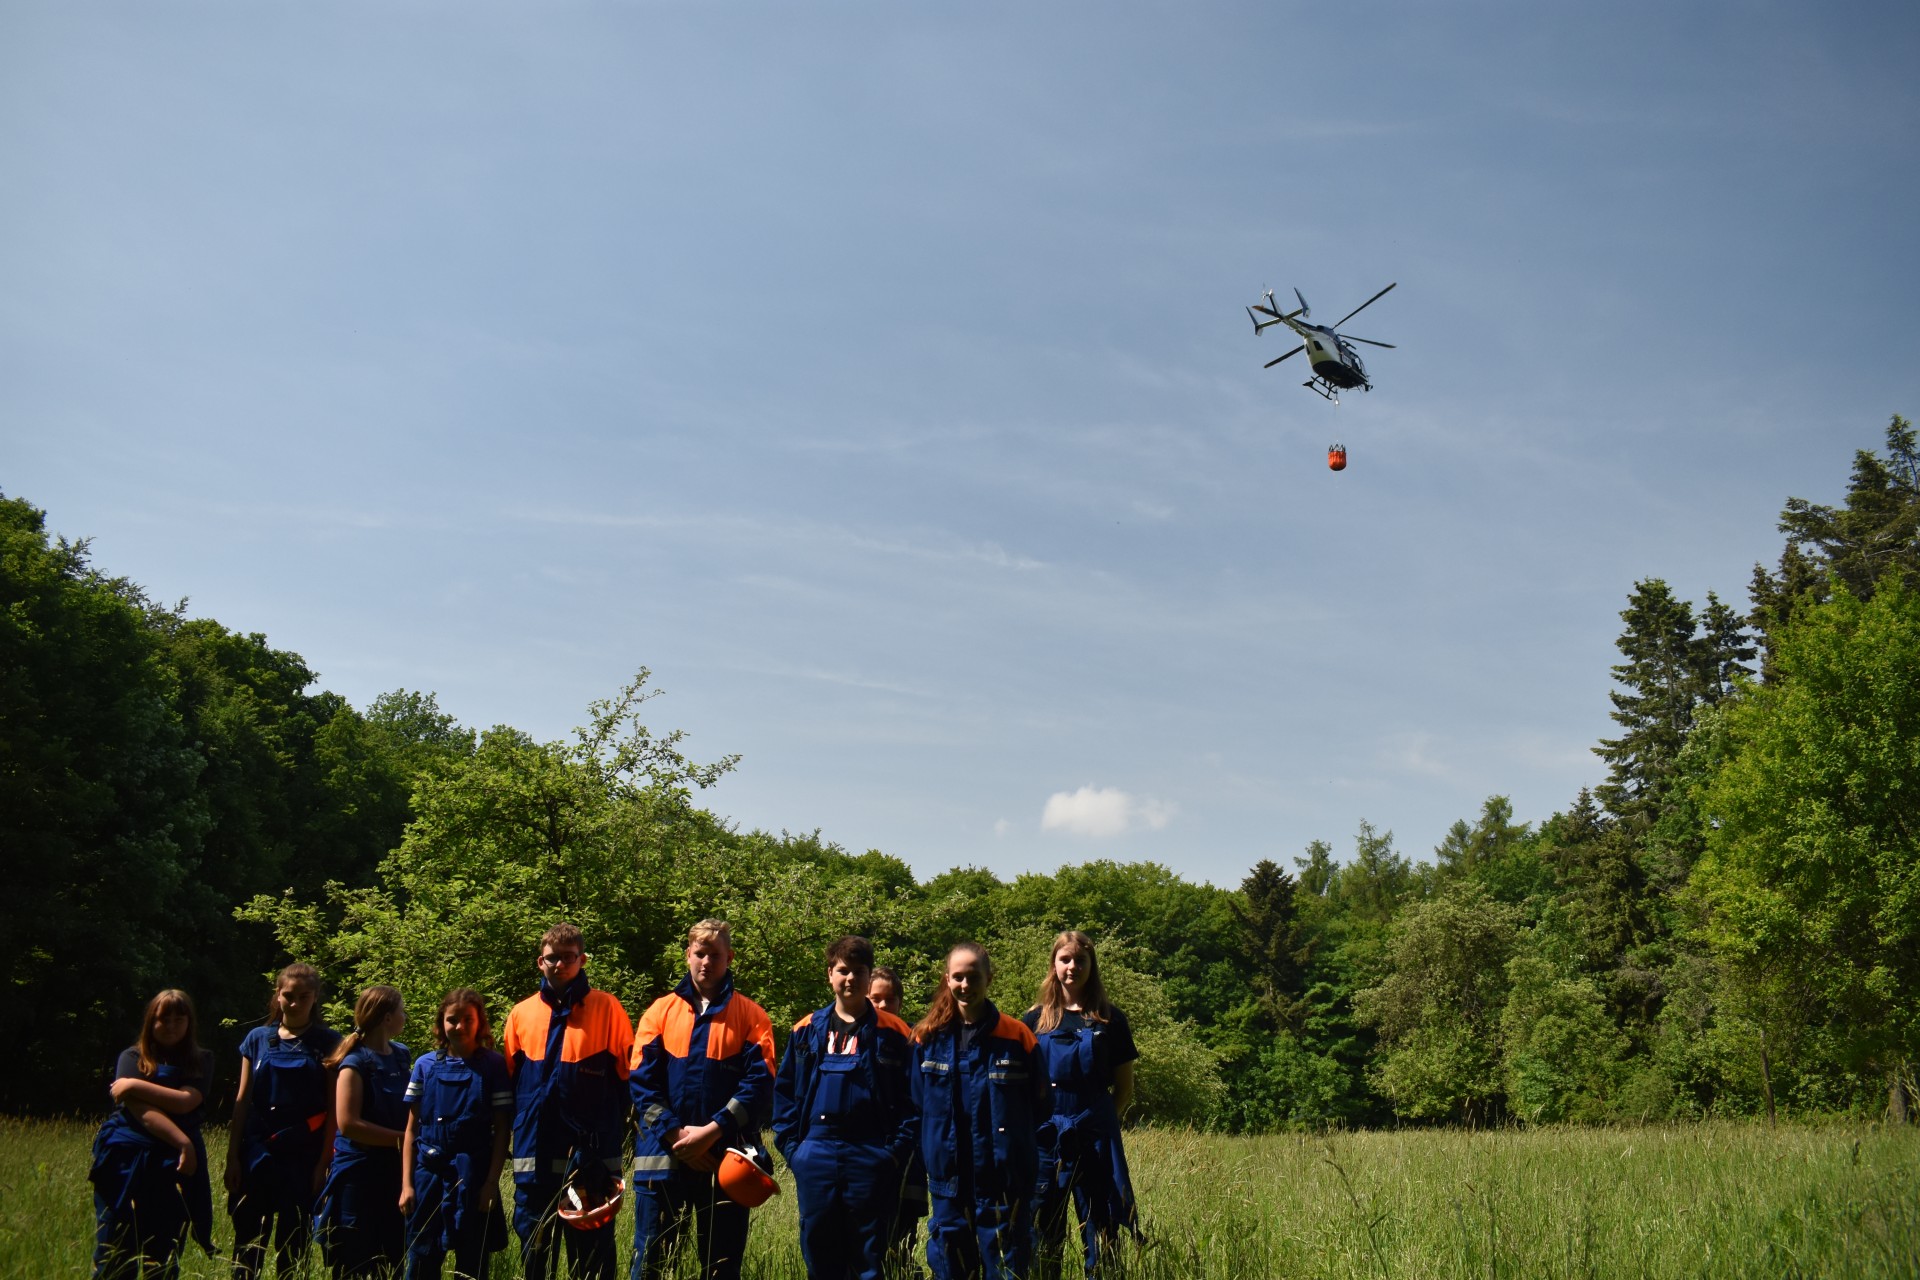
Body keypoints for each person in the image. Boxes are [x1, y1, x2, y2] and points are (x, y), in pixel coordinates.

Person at [628, 919, 778, 1280]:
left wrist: (711, 1132)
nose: (706, 962)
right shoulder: (660, 1011)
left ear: (730, 958)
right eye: (699, 953)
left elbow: (760, 1084)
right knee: (652, 1267)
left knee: (721, 1269)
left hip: (724, 1163)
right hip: (662, 1161)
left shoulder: (752, 1015)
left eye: (715, 955)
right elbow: (640, 1082)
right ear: (687, 956)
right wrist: (676, 1136)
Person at [773, 937, 918, 1280]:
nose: (850, 978)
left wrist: (893, 1154)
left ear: (869, 978)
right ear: (830, 975)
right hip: (815, 1155)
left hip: (871, 1154)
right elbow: (784, 1094)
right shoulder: (806, 1030)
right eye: (843, 971)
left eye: (858, 971)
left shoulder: (896, 1033)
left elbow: (914, 1101)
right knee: (820, 1255)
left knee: (870, 1258)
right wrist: (794, 1152)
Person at [500, 923, 635, 1280]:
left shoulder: (608, 1008)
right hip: (536, 1149)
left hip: (592, 1152)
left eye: (568, 958)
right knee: (535, 1251)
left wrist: (605, 1130)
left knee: (592, 1258)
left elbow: (626, 1081)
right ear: (539, 962)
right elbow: (513, 1085)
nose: (560, 965)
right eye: (552, 958)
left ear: (582, 959)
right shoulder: (521, 1014)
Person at [911, 943, 1048, 1280]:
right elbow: (914, 1107)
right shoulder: (926, 1038)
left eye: (973, 977)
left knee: (1006, 1267)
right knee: (949, 1264)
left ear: (990, 977)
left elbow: (1041, 1109)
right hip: (948, 1181)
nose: (965, 985)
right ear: (947, 979)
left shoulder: (1018, 1037)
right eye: (957, 977)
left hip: (1004, 1181)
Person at [1021, 933, 1140, 1280]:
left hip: (1094, 1136)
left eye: (1081, 960)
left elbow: (1124, 1088)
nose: (1073, 967)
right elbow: (1023, 1086)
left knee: (1102, 1229)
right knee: (1043, 1228)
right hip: (1046, 1139)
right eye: (1065, 960)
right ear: (1054, 965)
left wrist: (1099, 1123)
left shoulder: (1110, 1020)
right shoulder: (1034, 1020)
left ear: (1092, 966)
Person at [89, 989, 216, 1279]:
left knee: (161, 1255)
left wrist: (133, 1087)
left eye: (178, 1019)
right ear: (151, 1021)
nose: (171, 1026)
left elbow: (185, 1102)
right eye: (163, 1019)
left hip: (170, 1167)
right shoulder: (132, 1056)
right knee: (114, 1251)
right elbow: (139, 1112)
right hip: (122, 1162)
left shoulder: (201, 1060)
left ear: (190, 1022)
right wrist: (182, 1140)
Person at [228, 963, 343, 1279]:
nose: (294, 1003)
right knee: (247, 1244)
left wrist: (324, 1162)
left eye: (302, 997)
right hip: (257, 1154)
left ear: (315, 998)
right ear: (277, 996)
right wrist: (232, 1157)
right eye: (288, 996)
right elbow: (241, 1102)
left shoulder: (330, 1042)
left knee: (294, 1246)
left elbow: (335, 1110)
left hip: (303, 1158)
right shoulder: (257, 1039)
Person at [401, 988, 512, 1280]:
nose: (459, 1026)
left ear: (480, 1023)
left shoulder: (493, 1065)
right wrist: (406, 1185)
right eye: (452, 1020)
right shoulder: (424, 1065)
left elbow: (502, 1130)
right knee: (422, 1257)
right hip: (428, 1177)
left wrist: (490, 1183)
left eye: (467, 1019)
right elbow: (412, 1129)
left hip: (473, 1177)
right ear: (441, 1024)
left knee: (472, 1264)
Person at [314, 985, 412, 1279]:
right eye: (401, 1011)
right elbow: (349, 1124)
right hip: (358, 1176)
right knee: (353, 1260)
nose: (404, 1016)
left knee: (392, 1259)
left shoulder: (402, 1056)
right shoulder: (354, 1063)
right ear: (386, 1018)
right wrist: (403, 1140)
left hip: (394, 1173)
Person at [867, 967, 927, 1278]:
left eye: (889, 999)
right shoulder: (851, 1038)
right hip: (861, 1157)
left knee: (900, 1247)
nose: (882, 1006)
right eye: (875, 998)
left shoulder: (914, 1041)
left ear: (900, 1003)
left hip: (906, 1159)